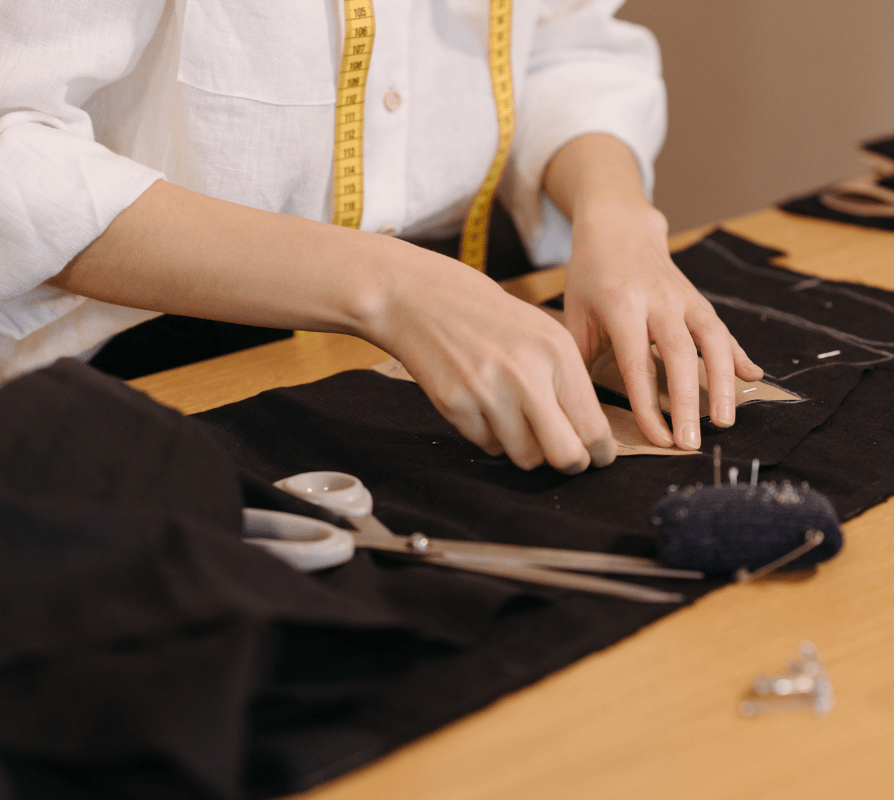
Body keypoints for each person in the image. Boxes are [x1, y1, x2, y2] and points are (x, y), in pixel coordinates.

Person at [0, 0, 762, 474]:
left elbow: (565, 42)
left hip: (454, 305)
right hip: (128, 360)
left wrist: (618, 218)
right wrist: (390, 285)